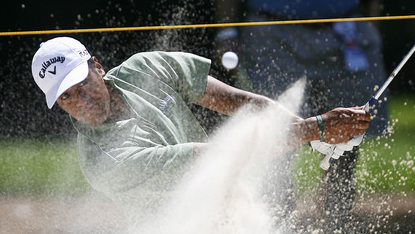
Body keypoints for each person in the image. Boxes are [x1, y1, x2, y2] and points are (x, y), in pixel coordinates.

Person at [31, 37, 371, 222]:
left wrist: (310, 133)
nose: (80, 100)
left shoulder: (144, 68)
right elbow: (222, 156)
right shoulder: (104, 162)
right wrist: (317, 129)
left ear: (97, 67)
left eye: (81, 83)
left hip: (231, 206)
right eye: (66, 97)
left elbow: (238, 101)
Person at [214, 0, 388, 234]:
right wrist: (227, 30)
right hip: (272, 32)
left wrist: (372, 23)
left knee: (347, 136)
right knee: (275, 135)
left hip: (345, 31)